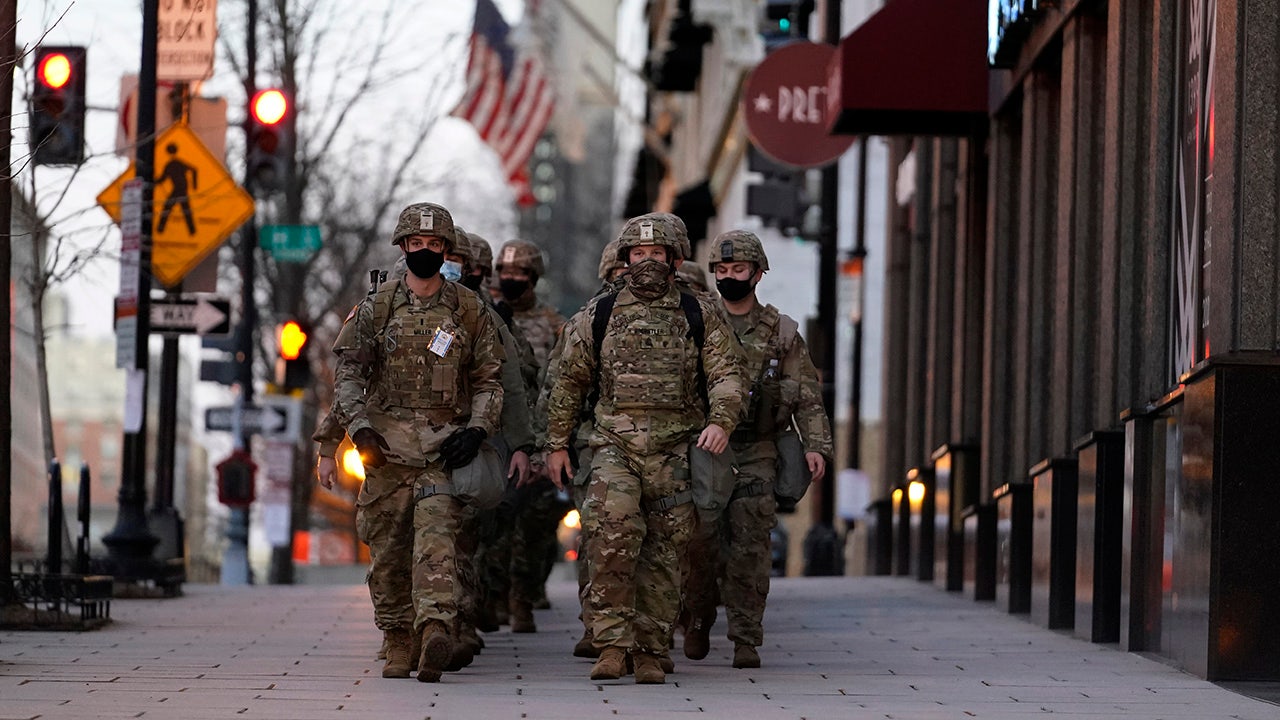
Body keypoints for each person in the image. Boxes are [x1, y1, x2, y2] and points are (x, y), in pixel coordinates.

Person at [545, 214, 747, 684]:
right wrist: (555, 444)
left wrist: (721, 421)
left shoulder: (701, 313)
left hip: (676, 451)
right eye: (639, 254)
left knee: (665, 553)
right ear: (625, 259)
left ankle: (652, 649)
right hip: (613, 446)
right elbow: (568, 382)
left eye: (657, 255)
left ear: (675, 260)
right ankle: (612, 644)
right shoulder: (598, 313)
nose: (648, 263)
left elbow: (727, 375)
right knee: (611, 537)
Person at [325, 202, 504, 683]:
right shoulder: (377, 307)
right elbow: (348, 374)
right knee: (387, 552)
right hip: (383, 451)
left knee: (436, 543)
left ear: (446, 250)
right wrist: (358, 428)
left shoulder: (468, 310)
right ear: (404, 248)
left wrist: (477, 430)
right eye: (417, 244)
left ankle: (435, 630)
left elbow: (490, 380)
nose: (425, 251)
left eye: (434, 245)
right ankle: (396, 638)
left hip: (442, 451)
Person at [680, 230, 833, 669]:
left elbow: (806, 393)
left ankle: (746, 638)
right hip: (706, 450)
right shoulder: (695, 321)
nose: (730, 277)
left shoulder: (781, 332)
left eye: (739, 270)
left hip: (757, 449)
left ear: (758, 273)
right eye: (722, 271)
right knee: (700, 542)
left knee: (750, 546)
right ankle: (698, 616)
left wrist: (816, 446)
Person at [494, 239, 568, 632]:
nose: (511, 280)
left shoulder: (555, 325)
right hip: (497, 431)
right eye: (505, 273)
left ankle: (524, 594)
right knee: (499, 519)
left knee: (535, 523)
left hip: (539, 431)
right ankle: (500, 595)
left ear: (533, 277)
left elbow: (563, 384)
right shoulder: (489, 314)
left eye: (519, 274)